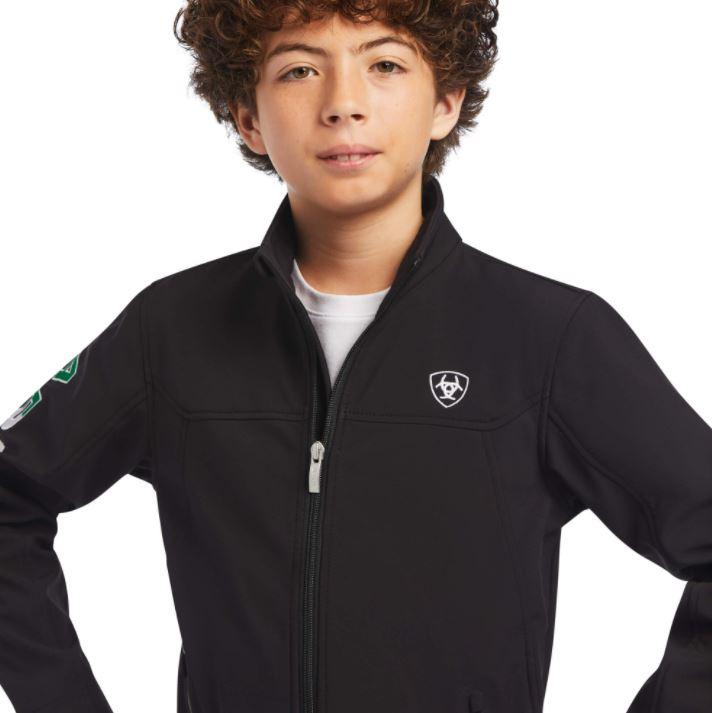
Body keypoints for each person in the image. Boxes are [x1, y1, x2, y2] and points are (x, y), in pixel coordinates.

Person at [0, 2, 710, 712]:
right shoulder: (172, 329)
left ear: (445, 102)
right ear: (248, 117)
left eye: (385, 64)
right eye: (300, 70)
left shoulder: (548, 337)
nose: (344, 103)